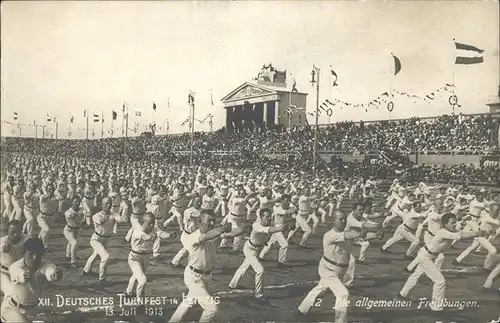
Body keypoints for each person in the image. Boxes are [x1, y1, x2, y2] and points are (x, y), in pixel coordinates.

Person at [168, 210, 249, 323]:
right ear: (200, 221)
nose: (211, 223)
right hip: (194, 278)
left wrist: (243, 229)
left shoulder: (215, 234)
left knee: (187, 302)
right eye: (209, 221)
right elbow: (204, 237)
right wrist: (222, 228)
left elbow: (231, 234)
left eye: (213, 221)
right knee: (211, 309)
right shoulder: (193, 237)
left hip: (206, 276)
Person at [398, 213, 482, 311]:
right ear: (445, 225)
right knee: (440, 281)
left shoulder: (450, 230)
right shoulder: (443, 232)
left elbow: (462, 233)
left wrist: (479, 231)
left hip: (429, 255)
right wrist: (477, 233)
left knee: (416, 275)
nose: (455, 224)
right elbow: (461, 236)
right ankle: (436, 307)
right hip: (426, 257)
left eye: (455, 222)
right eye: (452, 223)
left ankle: (403, 293)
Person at [297, 210, 364, 323]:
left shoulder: (346, 233)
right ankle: (340, 321)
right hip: (328, 270)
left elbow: (358, 237)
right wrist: (365, 226)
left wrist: (376, 235)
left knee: (321, 289)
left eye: (344, 219)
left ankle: (301, 310)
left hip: (339, 270)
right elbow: (353, 235)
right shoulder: (330, 235)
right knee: (343, 294)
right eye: (340, 219)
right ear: (333, 221)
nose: (343, 221)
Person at [0, 237, 63, 322]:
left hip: (33, 310)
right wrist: (22, 275)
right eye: (31, 254)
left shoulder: (45, 265)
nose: (34, 257)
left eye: (38, 254)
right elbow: (17, 272)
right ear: (23, 253)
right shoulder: (15, 266)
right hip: (13, 309)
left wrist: (54, 275)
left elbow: (49, 270)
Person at [228, 208, 286, 300]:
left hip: (257, 249)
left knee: (244, 266)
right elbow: (269, 230)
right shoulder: (256, 225)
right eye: (267, 217)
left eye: (270, 216)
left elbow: (278, 225)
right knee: (260, 270)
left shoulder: (271, 223)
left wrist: (287, 226)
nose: (269, 218)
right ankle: (258, 295)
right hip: (249, 249)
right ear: (261, 217)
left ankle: (232, 284)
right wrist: (280, 228)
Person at [125, 212, 176, 299]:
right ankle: (139, 303)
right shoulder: (138, 231)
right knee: (142, 280)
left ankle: (128, 292)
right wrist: (158, 234)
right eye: (149, 223)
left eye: (153, 222)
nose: (152, 225)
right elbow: (149, 237)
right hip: (134, 258)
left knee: (136, 275)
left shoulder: (153, 228)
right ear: (143, 222)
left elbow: (161, 233)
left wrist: (169, 235)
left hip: (146, 257)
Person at [82, 197, 128, 285]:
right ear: (101, 205)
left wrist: (124, 219)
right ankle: (102, 279)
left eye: (110, 203)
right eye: (106, 203)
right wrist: (110, 217)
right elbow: (101, 221)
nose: (108, 205)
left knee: (95, 255)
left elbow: (120, 219)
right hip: (96, 240)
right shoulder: (96, 216)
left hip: (106, 240)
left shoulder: (113, 214)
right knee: (105, 256)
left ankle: (86, 270)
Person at [0, 220, 26, 297]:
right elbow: (3, 246)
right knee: (11, 293)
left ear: (21, 230)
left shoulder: (27, 239)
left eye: (18, 232)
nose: (15, 235)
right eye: (12, 232)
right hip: (4, 272)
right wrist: (3, 248)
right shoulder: (2, 240)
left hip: (20, 272)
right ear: (7, 230)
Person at [64, 196, 84, 268]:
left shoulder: (81, 209)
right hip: (68, 230)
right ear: (72, 203)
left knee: (70, 243)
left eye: (78, 202)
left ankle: (68, 255)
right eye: (75, 202)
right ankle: (73, 261)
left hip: (76, 229)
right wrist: (79, 213)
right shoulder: (68, 212)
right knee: (74, 243)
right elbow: (72, 216)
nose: (77, 203)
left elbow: (87, 213)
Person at [37, 183, 58, 251]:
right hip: (41, 217)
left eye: (52, 189)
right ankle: (45, 246)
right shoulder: (43, 197)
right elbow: (45, 197)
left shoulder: (55, 198)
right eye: (49, 189)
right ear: (46, 190)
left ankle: (37, 241)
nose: (51, 191)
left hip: (50, 217)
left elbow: (55, 208)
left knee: (44, 231)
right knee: (46, 230)